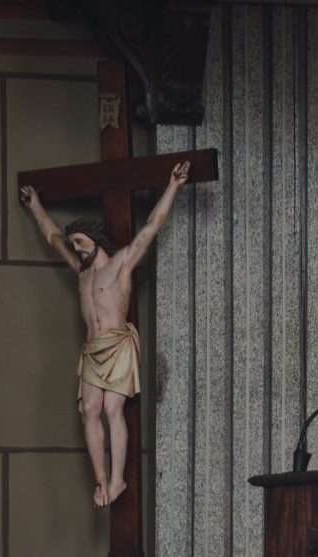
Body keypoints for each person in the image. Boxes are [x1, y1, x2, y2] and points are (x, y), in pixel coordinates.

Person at [20, 162, 190, 508]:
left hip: (117, 344)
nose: (77, 249)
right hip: (92, 349)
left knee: (113, 409)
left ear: (96, 241)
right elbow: (53, 238)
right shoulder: (81, 273)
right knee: (89, 412)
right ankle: (100, 482)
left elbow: (151, 227)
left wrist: (173, 186)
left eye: (81, 243)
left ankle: (118, 479)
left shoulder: (122, 264)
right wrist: (35, 205)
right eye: (75, 245)